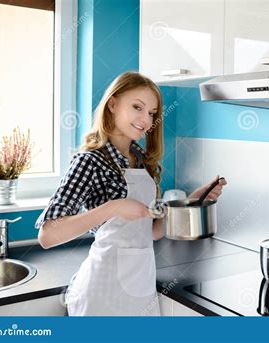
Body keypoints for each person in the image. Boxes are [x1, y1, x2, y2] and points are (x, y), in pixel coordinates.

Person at [35, 71, 227, 316]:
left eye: (151, 113)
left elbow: (152, 232)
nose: (145, 120)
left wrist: (191, 201)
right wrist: (113, 207)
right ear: (112, 104)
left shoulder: (141, 160)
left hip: (141, 288)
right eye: (137, 107)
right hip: (101, 294)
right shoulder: (90, 161)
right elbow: (47, 235)